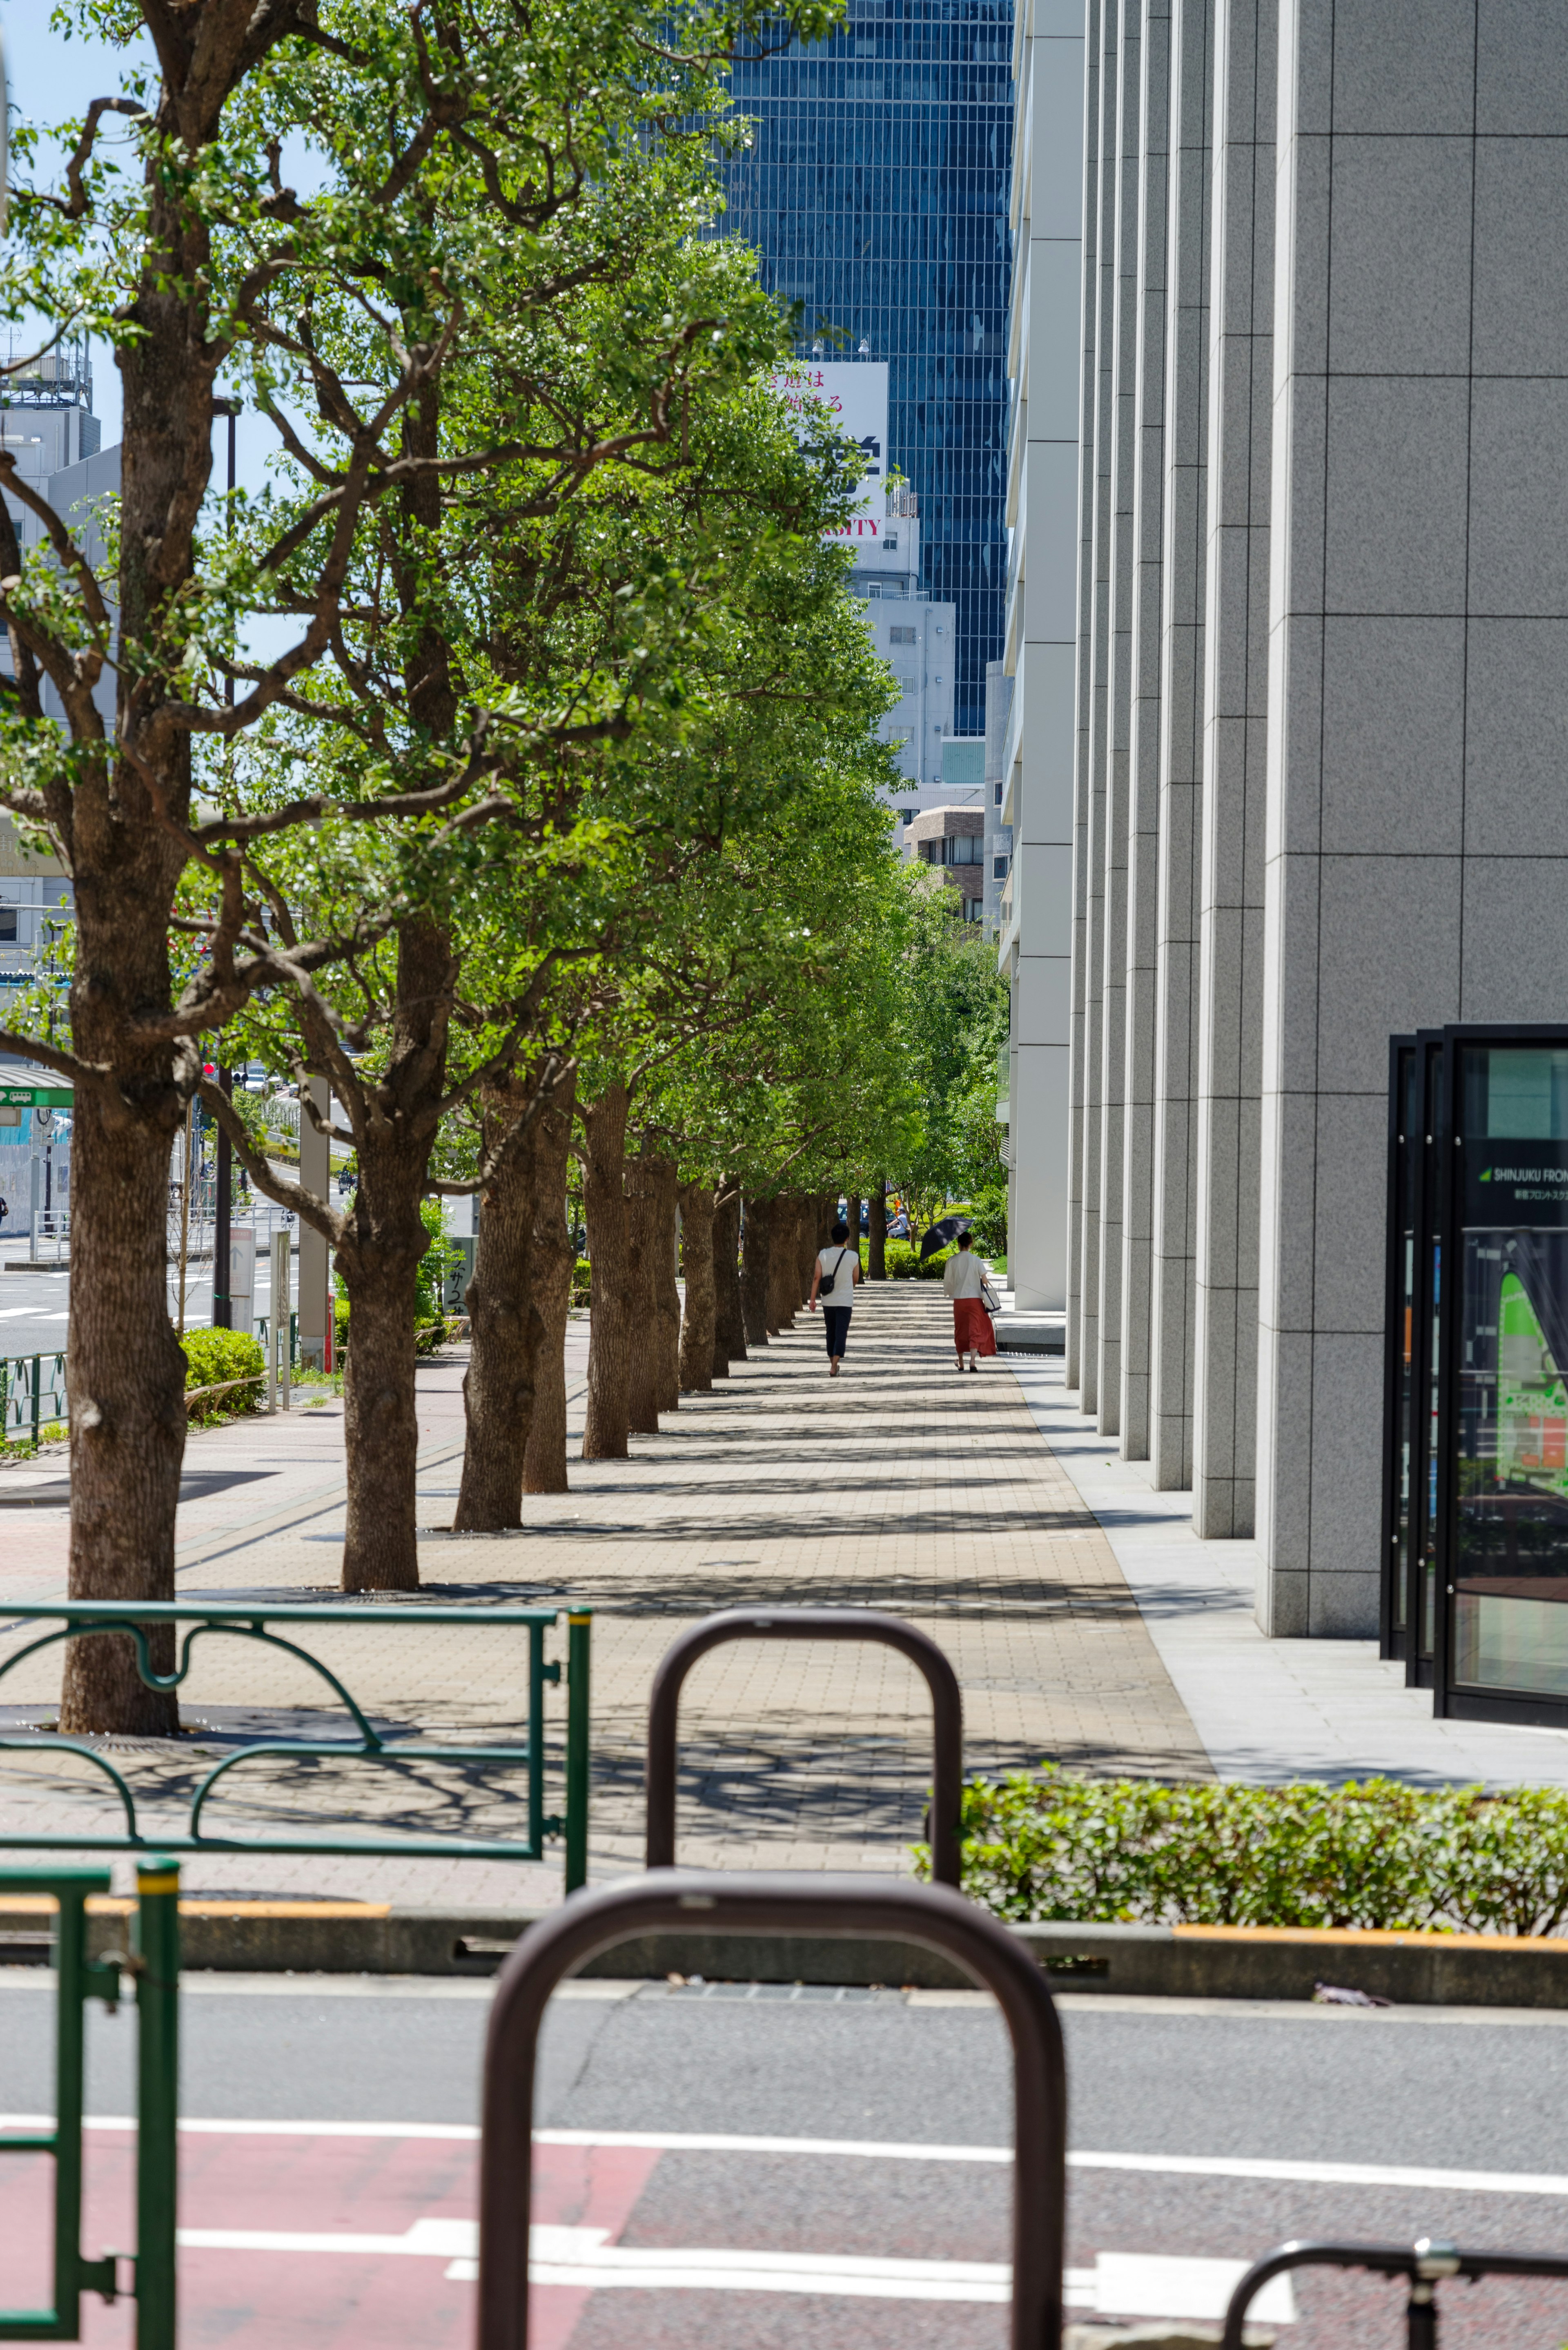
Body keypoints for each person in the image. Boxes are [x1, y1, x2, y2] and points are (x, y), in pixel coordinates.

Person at [808, 1218, 861, 1377]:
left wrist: (812, 1300)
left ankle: (832, 1363)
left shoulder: (823, 1255)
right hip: (845, 1302)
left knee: (830, 1332)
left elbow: (817, 1278)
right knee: (841, 1333)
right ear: (847, 1239)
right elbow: (856, 1279)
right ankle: (834, 1366)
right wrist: (848, 1288)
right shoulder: (853, 1256)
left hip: (828, 1301)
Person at [943, 1231, 997, 1372]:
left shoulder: (952, 1261)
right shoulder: (976, 1260)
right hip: (975, 1301)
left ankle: (961, 1362)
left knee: (960, 1330)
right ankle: (972, 1362)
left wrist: (949, 1293)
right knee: (975, 1330)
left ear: (959, 1244)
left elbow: (948, 1281)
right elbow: (984, 1280)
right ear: (971, 1244)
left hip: (960, 1301)